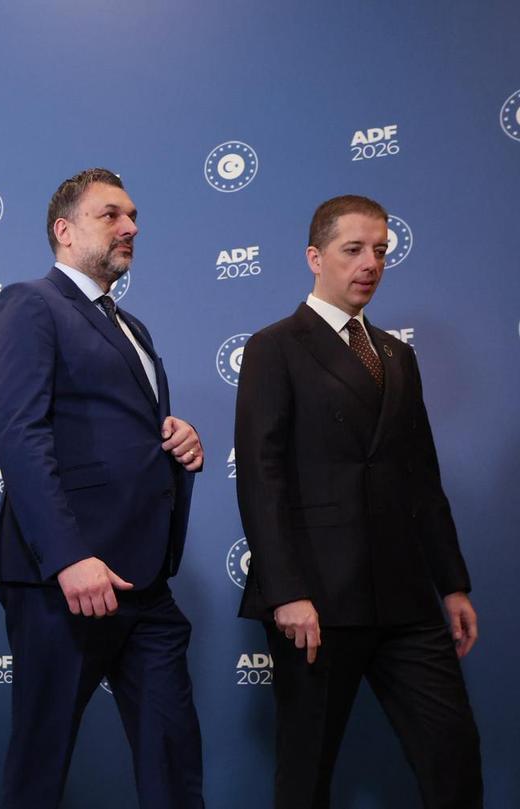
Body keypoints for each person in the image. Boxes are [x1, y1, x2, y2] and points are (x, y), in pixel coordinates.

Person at [234, 194, 481, 808]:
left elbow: (422, 475)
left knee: (453, 755)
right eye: (354, 250)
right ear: (315, 257)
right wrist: (287, 592)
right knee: (306, 771)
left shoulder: (399, 356)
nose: (370, 262)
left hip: (405, 596)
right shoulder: (275, 346)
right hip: (316, 599)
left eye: (380, 251)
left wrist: (451, 583)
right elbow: (261, 477)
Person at [0, 168, 206, 809]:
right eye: (111, 214)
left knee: (173, 756)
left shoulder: (134, 327)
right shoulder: (30, 302)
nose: (131, 226)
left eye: (133, 215)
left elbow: (122, 428)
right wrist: (68, 557)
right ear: (65, 229)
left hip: (146, 581)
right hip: (66, 581)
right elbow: (21, 435)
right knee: (41, 765)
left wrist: (178, 434)